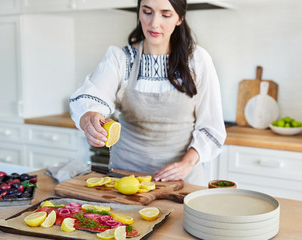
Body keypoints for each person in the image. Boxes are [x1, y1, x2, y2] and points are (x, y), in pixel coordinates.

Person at [69, 0, 226, 186]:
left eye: (165, 15)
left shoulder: (197, 60)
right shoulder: (120, 59)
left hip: (181, 180)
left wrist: (186, 163)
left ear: (179, 18)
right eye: (147, 12)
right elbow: (91, 97)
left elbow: (212, 128)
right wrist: (89, 117)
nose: (154, 23)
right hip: (125, 179)